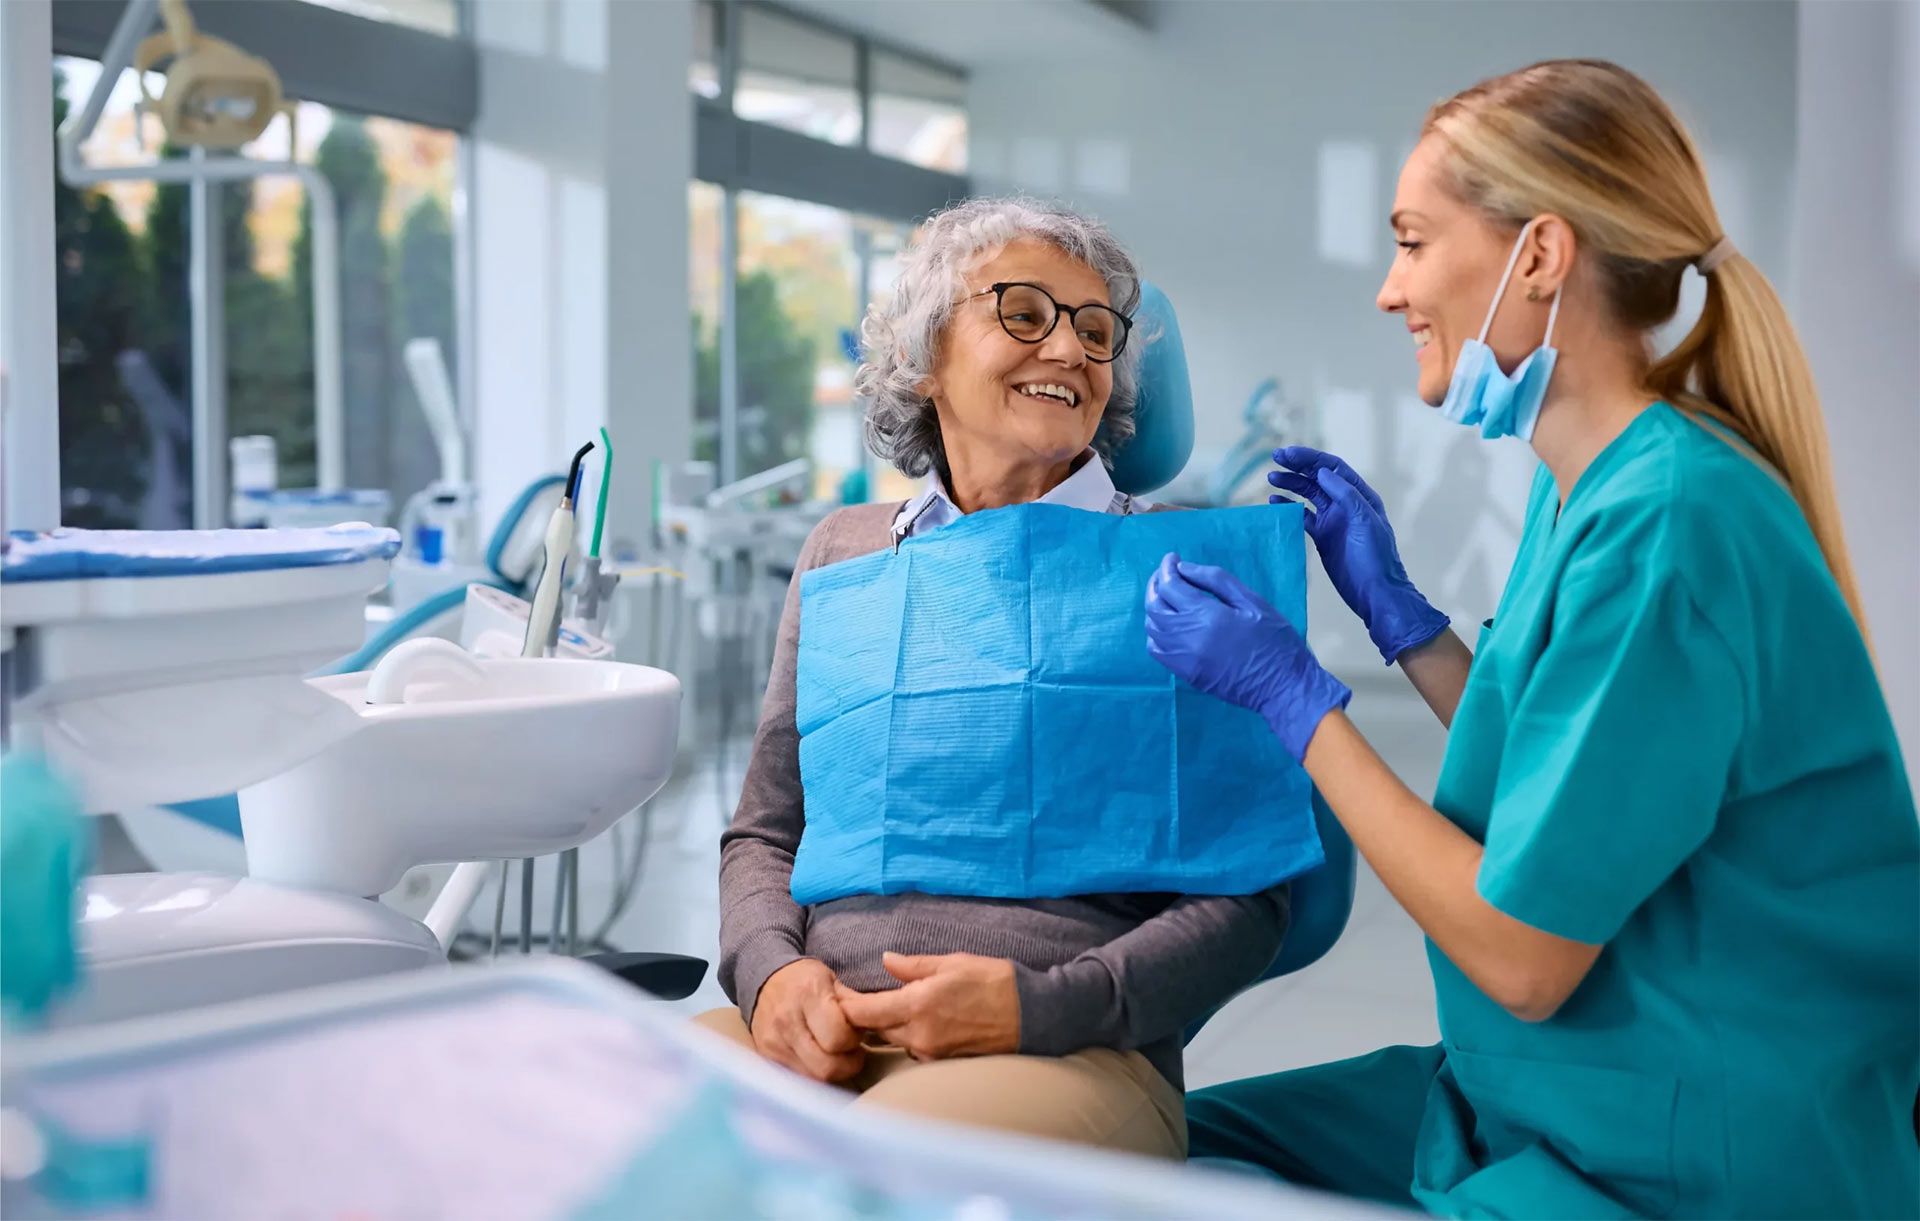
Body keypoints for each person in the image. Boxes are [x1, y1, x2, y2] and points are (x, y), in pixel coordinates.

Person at [1145, 59, 1920, 1216]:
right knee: (1160, 1139)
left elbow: (1519, 955)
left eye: (1412, 241)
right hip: (1572, 1083)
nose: (1389, 290)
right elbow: (1579, 771)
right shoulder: (1599, 485)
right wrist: (1401, 622)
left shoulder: (1668, 523)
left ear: (1542, 256)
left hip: (1696, 1140)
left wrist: (1292, 699)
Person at [699, 197, 1288, 1160]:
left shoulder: (1185, 571)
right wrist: (769, 977)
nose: (1069, 350)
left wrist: (1042, 1005)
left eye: (1096, 331)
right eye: (1024, 313)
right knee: (610, 1142)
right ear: (926, 356)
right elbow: (766, 828)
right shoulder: (842, 555)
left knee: (862, 1181)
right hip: (829, 1024)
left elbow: (1252, 898)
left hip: (1071, 1050)